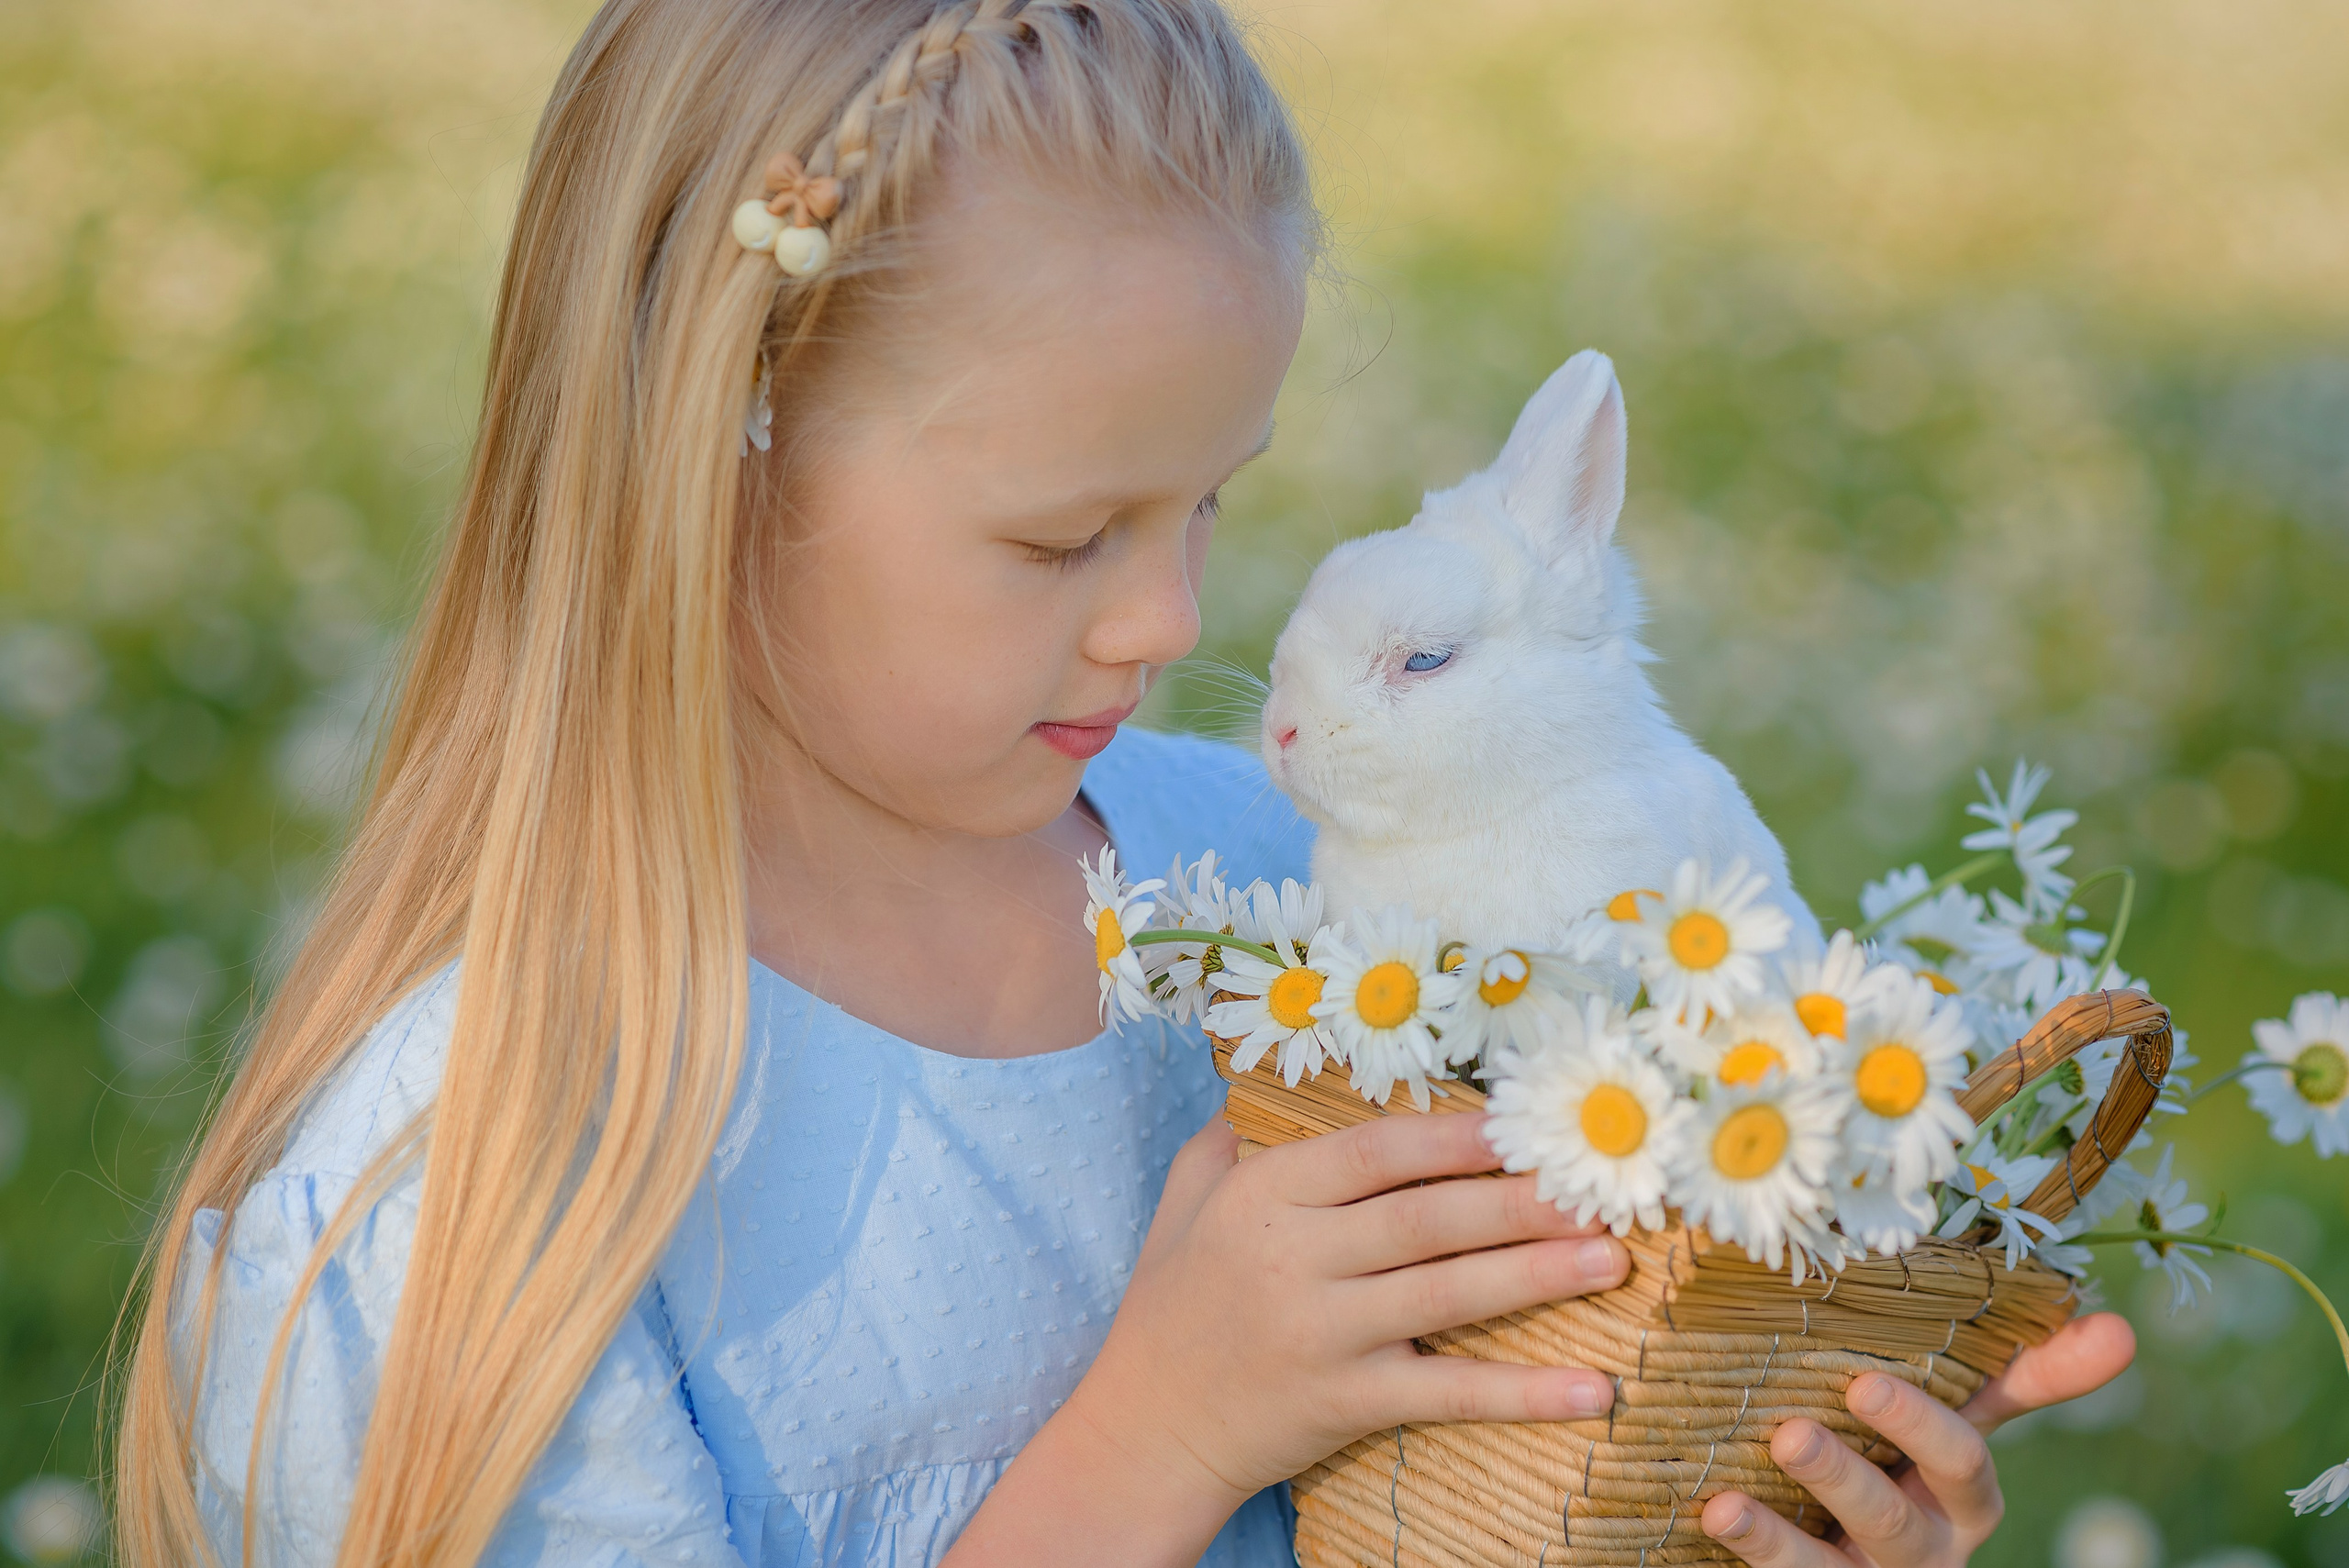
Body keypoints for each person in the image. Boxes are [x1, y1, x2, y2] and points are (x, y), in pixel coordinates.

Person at [112, 2, 2135, 1564]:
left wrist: (1744, 1479)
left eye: (1208, 506)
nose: (1163, 619)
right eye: (1059, 538)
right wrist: (1160, 1440)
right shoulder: (482, 1181)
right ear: (705, 451)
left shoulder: (1283, 882)